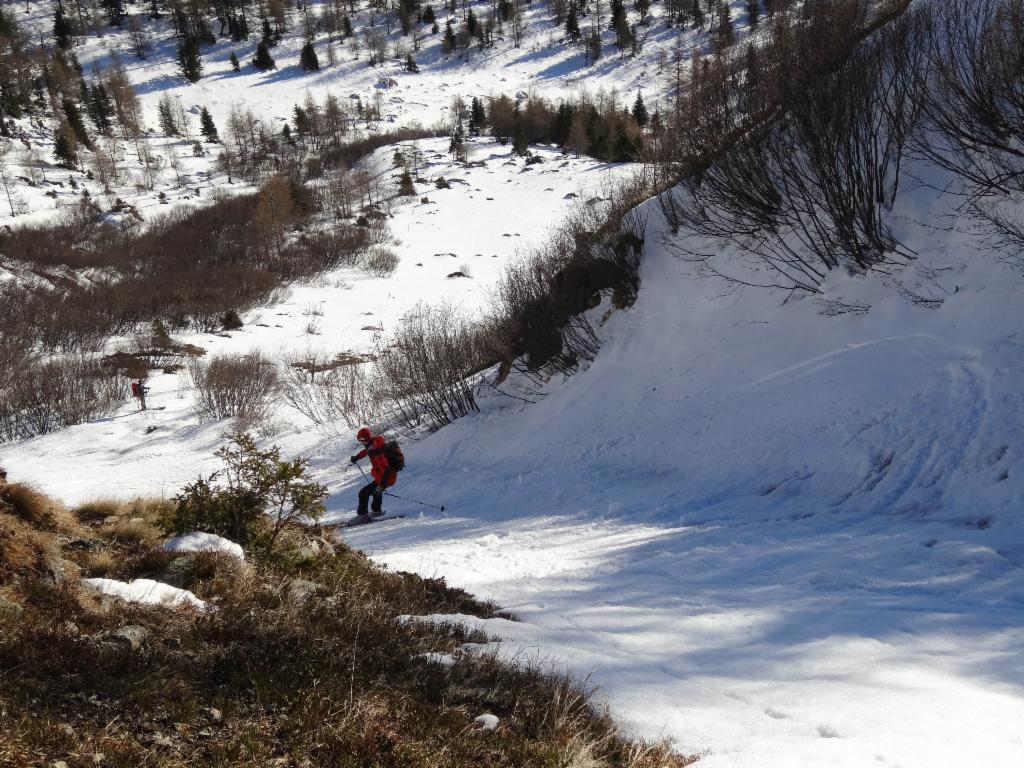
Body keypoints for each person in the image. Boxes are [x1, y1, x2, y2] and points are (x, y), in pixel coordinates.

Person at [349, 425, 397, 520]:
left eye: (362, 440)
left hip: (387, 477)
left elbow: (387, 470)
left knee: (363, 493)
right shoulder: (373, 445)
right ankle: (376, 511)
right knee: (375, 492)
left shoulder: (376, 451)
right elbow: (366, 451)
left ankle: (362, 516)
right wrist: (357, 457)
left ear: (366, 439)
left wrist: (381, 486)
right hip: (382, 477)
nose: (361, 442)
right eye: (360, 440)